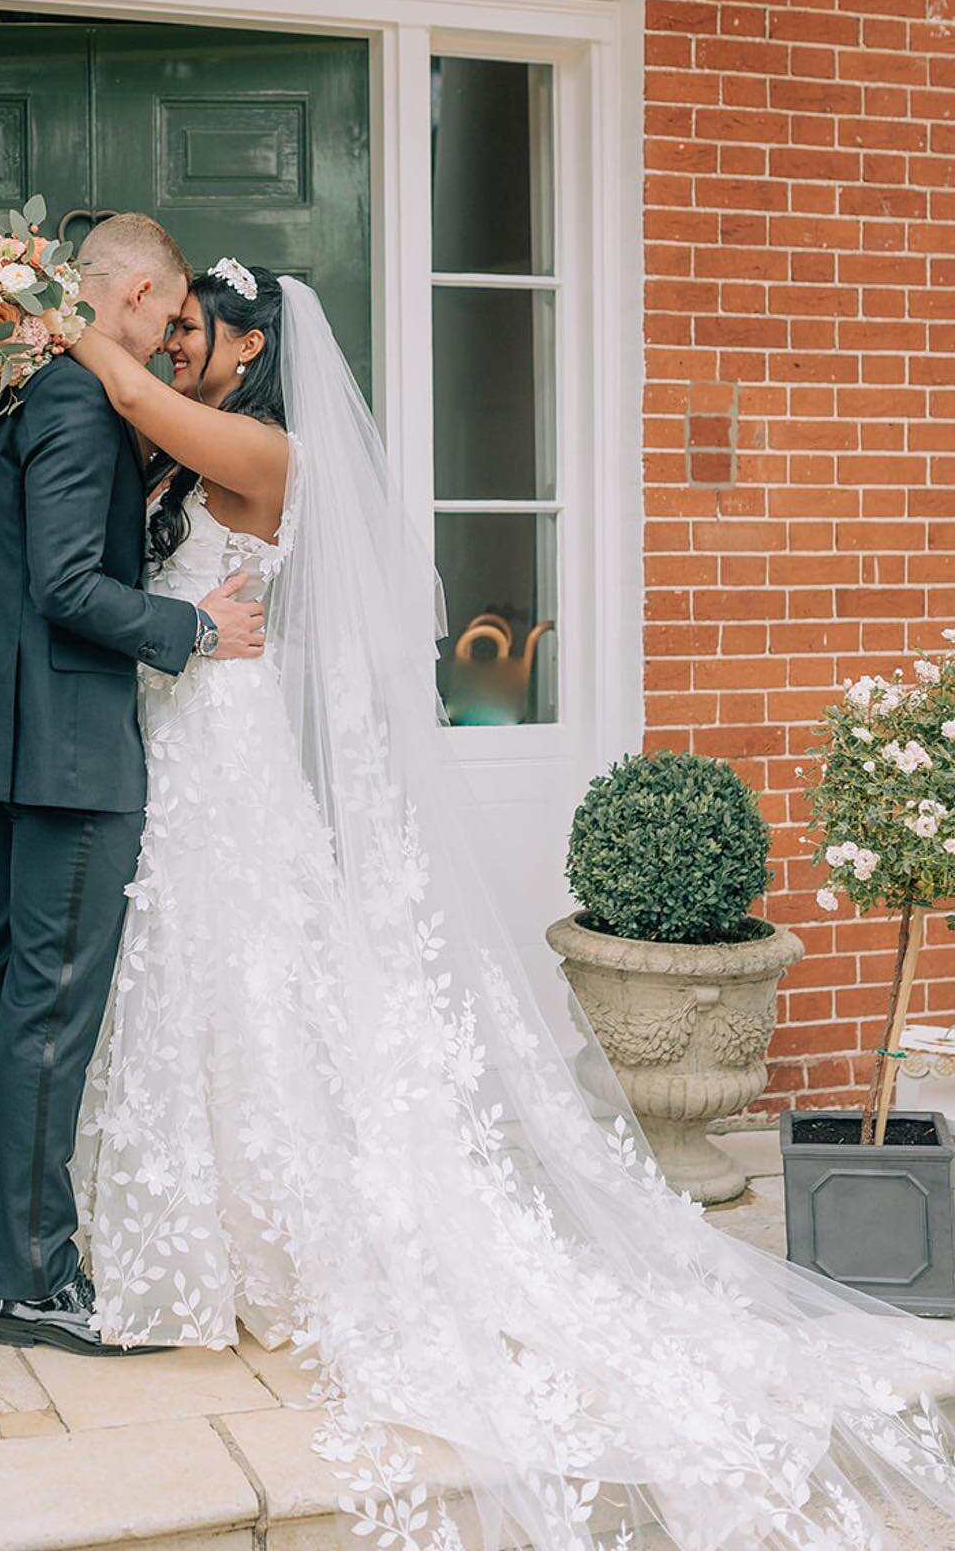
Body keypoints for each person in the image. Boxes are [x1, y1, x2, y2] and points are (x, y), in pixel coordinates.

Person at [67, 259, 955, 1549]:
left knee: (249, 966)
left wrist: (66, 329)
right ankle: (213, 1234)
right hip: (185, 731)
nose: (181, 346)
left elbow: (141, 404)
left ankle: (287, 1240)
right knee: (197, 970)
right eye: (177, 330)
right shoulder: (186, 461)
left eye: (199, 329)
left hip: (230, 746)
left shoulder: (262, 449)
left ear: (254, 347)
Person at [0, 214, 265, 1358]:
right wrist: (194, 628)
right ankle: (33, 1283)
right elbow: (72, 583)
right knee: (48, 1010)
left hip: (16, 730)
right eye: (168, 315)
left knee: (6, 992)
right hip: (73, 744)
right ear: (129, 296)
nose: (174, 334)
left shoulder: (8, 390)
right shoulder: (77, 403)